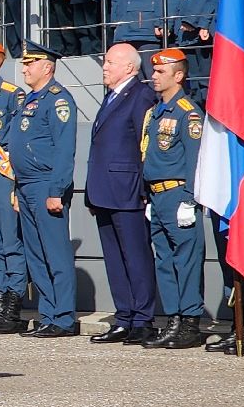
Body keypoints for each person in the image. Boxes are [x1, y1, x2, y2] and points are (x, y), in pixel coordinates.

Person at [85, 42, 159, 344]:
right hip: (104, 189)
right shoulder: (111, 96)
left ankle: (143, 318)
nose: (105, 66)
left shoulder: (140, 95)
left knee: (136, 256)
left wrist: (143, 187)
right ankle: (124, 315)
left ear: (129, 67)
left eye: (110, 62)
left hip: (128, 189)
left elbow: (145, 143)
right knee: (115, 258)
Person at [7, 43, 79, 337]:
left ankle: (63, 317)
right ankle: (48, 314)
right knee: (35, 254)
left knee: (55, 253)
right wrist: (16, 186)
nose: (24, 69)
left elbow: (64, 149)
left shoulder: (58, 99)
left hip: (46, 184)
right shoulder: (29, 100)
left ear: (47, 67)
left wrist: (56, 190)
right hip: (26, 185)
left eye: (30, 64)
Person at [137, 48, 208, 349]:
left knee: (187, 260)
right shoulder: (155, 112)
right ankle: (174, 319)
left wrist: (190, 199)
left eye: (160, 72)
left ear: (178, 75)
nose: (153, 76)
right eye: (153, 71)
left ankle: (190, 321)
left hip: (179, 193)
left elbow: (195, 160)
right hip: (158, 195)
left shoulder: (188, 113)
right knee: (164, 260)